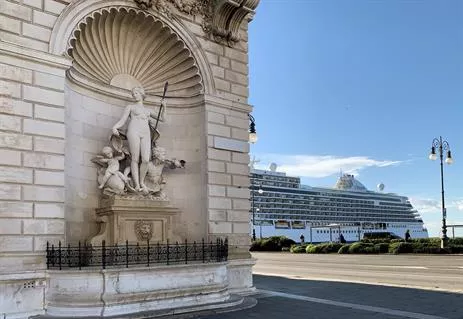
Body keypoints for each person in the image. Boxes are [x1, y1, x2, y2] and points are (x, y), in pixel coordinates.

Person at [111, 87, 166, 192]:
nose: (134, 95)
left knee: (145, 159)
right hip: (133, 131)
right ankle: (137, 184)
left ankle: (142, 182)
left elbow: (163, 119)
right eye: (133, 93)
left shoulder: (148, 110)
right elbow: (122, 120)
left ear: (141, 94)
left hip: (145, 133)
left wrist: (164, 107)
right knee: (135, 158)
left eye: (136, 93)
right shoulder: (130, 107)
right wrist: (115, 127)